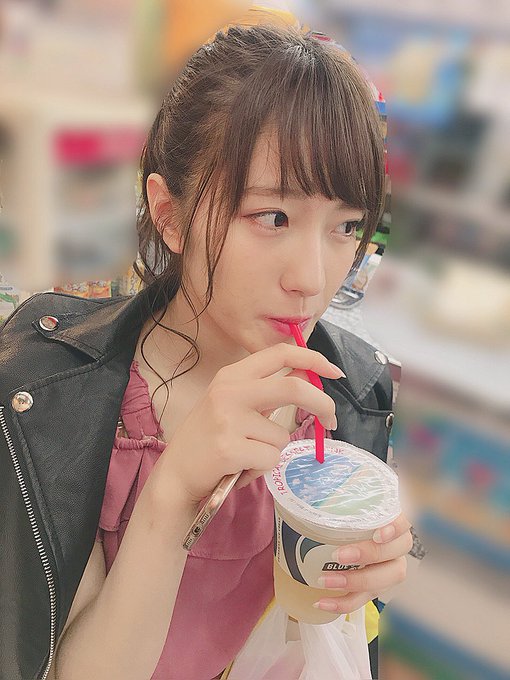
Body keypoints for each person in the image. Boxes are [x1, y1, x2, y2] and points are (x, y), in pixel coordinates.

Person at [0, 18, 413, 680]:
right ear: (169, 214)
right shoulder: (49, 399)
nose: (312, 278)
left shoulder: (350, 391)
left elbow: (320, 627)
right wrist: (171, 496)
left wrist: (373, 567)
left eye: (346, 226)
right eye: (273, 217)